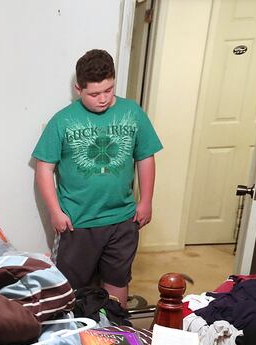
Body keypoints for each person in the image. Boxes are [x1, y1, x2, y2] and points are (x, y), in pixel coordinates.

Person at [32, 49, 162, 308]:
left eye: (109, 90)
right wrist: (55, 211)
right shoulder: (63, 120)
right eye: (94, 94)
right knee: (72, 289)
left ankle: (116, 332)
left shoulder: (132, 113)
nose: (103, 99)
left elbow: (145, 157)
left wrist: (146, 200)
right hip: (78, 223)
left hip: (122, 220)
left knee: (118, 281)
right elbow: (44, 168)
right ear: (78, 88)